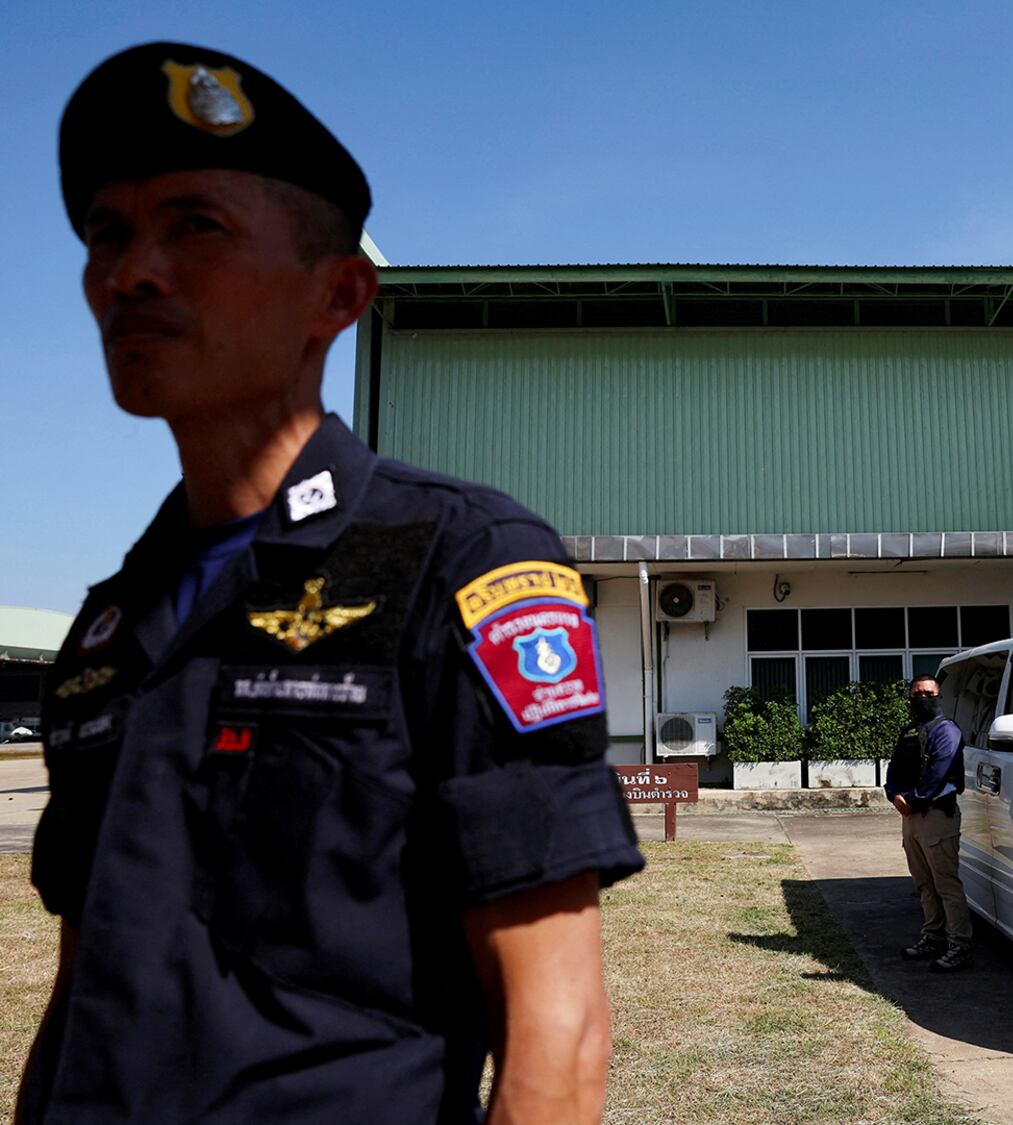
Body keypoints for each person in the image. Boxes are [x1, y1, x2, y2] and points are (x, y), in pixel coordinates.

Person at [18, 43, 644, 1124]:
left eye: (195, 226)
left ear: (339, 294)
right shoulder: (112, 625)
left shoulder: (462, 561)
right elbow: (83, 993)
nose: (130, 273)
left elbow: (559, 1029)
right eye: (107, 235)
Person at [883, 675, 972, 972]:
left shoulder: (947, 731)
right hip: (910, 816)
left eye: (928, 693)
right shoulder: (910, 731)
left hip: (935, 815)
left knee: (946, 884)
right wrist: (893, 794)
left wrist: (914, 800)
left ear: (938, 696)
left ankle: (959, 946)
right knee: (924, 884)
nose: (922, 698)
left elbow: (940, 770)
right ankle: (933, 937)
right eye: (917, 694)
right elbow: (894, 766)